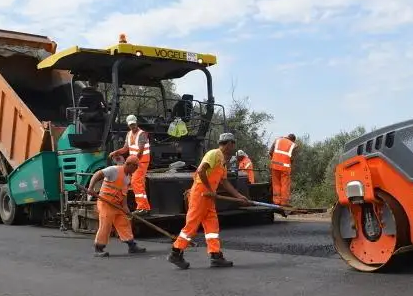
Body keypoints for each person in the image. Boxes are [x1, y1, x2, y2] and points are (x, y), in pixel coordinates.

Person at [168, 133, 251, 269]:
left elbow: (224, 182)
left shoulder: (223, 160)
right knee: (192, 225)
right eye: (233, 144)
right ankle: (175, 253)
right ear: (229, 143)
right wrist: (209, 189)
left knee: (212, 226)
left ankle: (215, 255)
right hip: (201, 194)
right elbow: (201, 171)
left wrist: (238, 196)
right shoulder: (213, 154)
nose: (234, 147)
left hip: (209, 196)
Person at [86, 156, 147, 258]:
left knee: (124, 223)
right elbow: (98, 174)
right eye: (135, 167)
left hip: (117, 205)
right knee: (106, 225)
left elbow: (124, 194)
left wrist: (125, 206)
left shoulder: (128, 177)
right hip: (105, 203)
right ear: (129, 164)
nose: (136, 169)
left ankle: (132, 246)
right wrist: (91, 187)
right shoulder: (114, 170)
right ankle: (98, 248)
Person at [109, 115, 151, 214]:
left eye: (133, 124)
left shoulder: (142, 134)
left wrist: (132, 163)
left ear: (136, 123)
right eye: (130, 125)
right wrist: (116, 152)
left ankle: (143, 208)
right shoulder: (128, 134)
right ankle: (144, 207)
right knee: (137, 183)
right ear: (128, 125)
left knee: (136, 182)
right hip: (135, 162)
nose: (132, 126)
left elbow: (140, 152)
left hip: (141, 162)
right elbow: (125, 149)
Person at [269, 133, 296, 206]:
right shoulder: (293, 144)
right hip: (285, 167)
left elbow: (270, 152)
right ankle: (284, 202)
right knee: (284, 184)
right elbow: (292, 158)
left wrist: (274, 160)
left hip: (274, 166)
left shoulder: (277, 140)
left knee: (276, 183)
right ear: (293, 140)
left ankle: (276, 201)